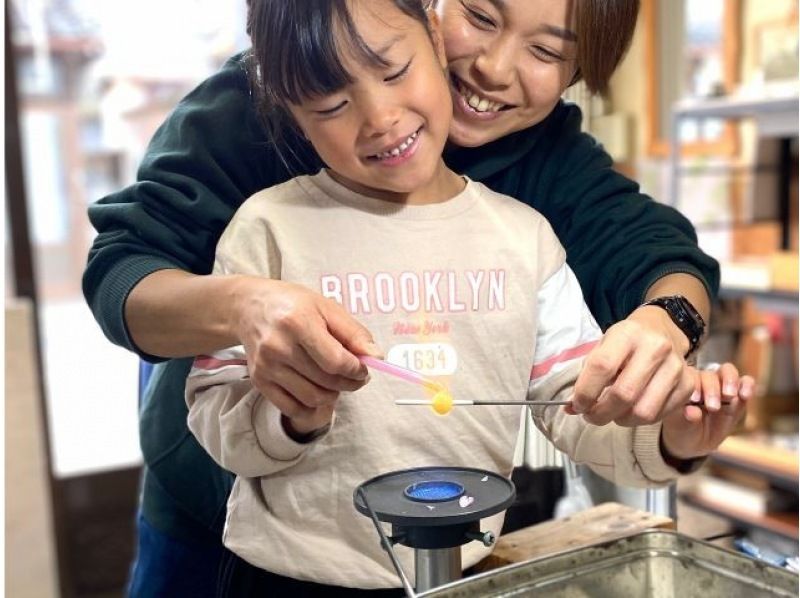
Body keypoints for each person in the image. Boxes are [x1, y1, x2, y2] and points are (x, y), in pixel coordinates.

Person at [82, 0, 752, 595]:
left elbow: (644, 275)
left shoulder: (531, 209)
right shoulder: (268, 156)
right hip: (248, 542)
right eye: (482, 18)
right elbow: (125, 272)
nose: (491, 67)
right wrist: (248, 315)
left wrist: (666, 371)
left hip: (450, 555)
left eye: (545, 49)